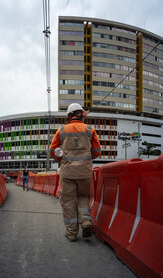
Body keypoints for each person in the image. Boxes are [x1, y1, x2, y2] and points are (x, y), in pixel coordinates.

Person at [50, 103, 101, 242]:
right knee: (83, 197)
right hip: (85, 172)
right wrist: (86, 159)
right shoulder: (90, 129)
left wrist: (62, 159)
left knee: (68, 202)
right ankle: (85, 221)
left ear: (69, 115)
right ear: (80, 114)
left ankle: (72, 233)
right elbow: (97, 152)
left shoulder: (61, 130)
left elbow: (52, 151)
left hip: (67, 173)